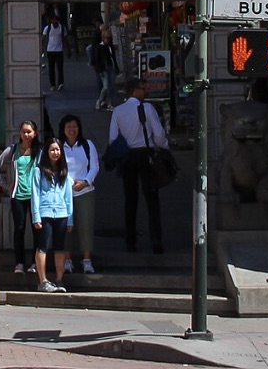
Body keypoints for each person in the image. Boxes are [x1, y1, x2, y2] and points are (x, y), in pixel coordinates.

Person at [105, 81, 167, 255]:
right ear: (134, 91)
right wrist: (164, 149)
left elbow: (112, 139)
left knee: (130, 200)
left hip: (128, 157)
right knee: (152, 200)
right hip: (146, 154)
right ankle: (156, 240)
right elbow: (159, 134)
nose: (145, 91)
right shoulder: (147, 108)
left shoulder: (118, 111)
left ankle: (130, 241)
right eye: (143, 88)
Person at [0, 121, 42, 278]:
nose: (26, 135)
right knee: (19, 228)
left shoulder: (40, 151)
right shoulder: (12, 150)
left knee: (37, 229)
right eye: (23, 132)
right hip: (18, 195)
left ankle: (35, 262)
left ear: (35, 133)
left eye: (29, 132)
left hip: (36, 196)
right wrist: (6, 185)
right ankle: (19, 262)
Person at [59, 114, 100, 275]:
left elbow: (94, 166)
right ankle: (68, 260)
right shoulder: (59, 146)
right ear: (63, 129)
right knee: (67, 227)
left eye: (74, 126)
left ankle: (87, 260)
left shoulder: (87, 145)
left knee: (86, 225)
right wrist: (70, 183)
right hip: (64, 193)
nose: (72, 130)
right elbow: (58, 167)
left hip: (86, 191)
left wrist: (86, 182)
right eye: (68, 126)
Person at [32, 140, 75, 291]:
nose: (55, 153)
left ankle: (59, 279)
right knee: (42, 246)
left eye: (58, 150)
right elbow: (35, 194)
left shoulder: (64, 171)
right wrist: (36, 216)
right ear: (47, 152)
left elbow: (68, 197)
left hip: (61, 213)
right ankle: (42, 280)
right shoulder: (39, 171)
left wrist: (70, 218)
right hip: (45, 211)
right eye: (52, 150)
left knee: (60, 247)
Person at [86, 29, 115, 109]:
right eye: (107, 38)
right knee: (106, 86)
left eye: (110, 38)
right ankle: (100, 100)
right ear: (103, 38)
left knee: (110, 86)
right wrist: (99, 70)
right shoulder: (99, 47)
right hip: (103, 68)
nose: (108, 40)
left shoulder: (110, 46)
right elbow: (97, 60)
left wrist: (116, 66)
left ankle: (109, 102)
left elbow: (113, 57)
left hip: (110, 67)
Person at [43, 14, 67, 92]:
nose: (54, 22)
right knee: (51, 69)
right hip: (50, 50)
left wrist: (68, 49)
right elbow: (43, 38)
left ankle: (60, 83)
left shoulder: (62, 28)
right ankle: (52, 84)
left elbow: (65, 38)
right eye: (53, 20)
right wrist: (42, 48)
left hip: (59, 50)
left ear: (58, 21)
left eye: (55, 20)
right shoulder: (48, 28)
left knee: (60, 68)